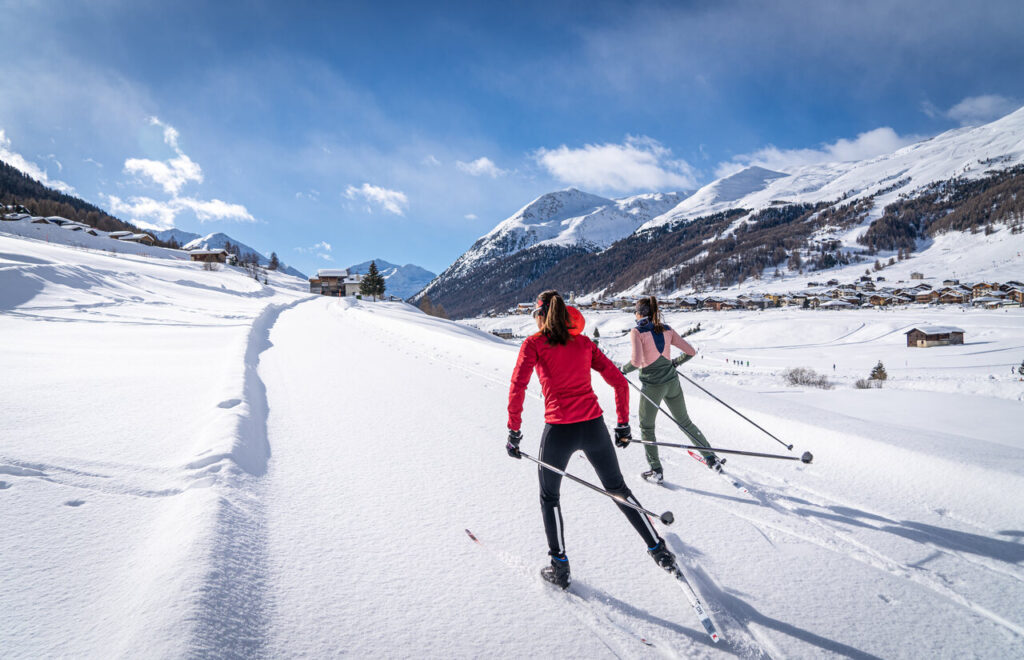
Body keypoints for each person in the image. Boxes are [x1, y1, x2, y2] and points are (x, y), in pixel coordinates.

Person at [506, 290, 675, 590]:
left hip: (559, 431)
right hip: (594, 427)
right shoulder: (584, 343)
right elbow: (619, 382)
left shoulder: (534, 344)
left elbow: (518, 386)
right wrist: (622, 425)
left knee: (549, 498)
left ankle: (559, 567)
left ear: (542, 315)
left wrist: (514, 432)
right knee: (618, 490)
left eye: (535, 315)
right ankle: (659, 550)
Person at [621, 296, 720, 484]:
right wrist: (675, 363)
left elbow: (635, 362)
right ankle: (711, 458)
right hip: (672, 383)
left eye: (635, 311)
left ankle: (656, 469)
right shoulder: (667, 329)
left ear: (640, 313)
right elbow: (691, 352)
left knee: (647, 427)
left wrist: (621, 370)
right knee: (685, 422)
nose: (634, 314)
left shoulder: (637, 332)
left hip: (652, 387)